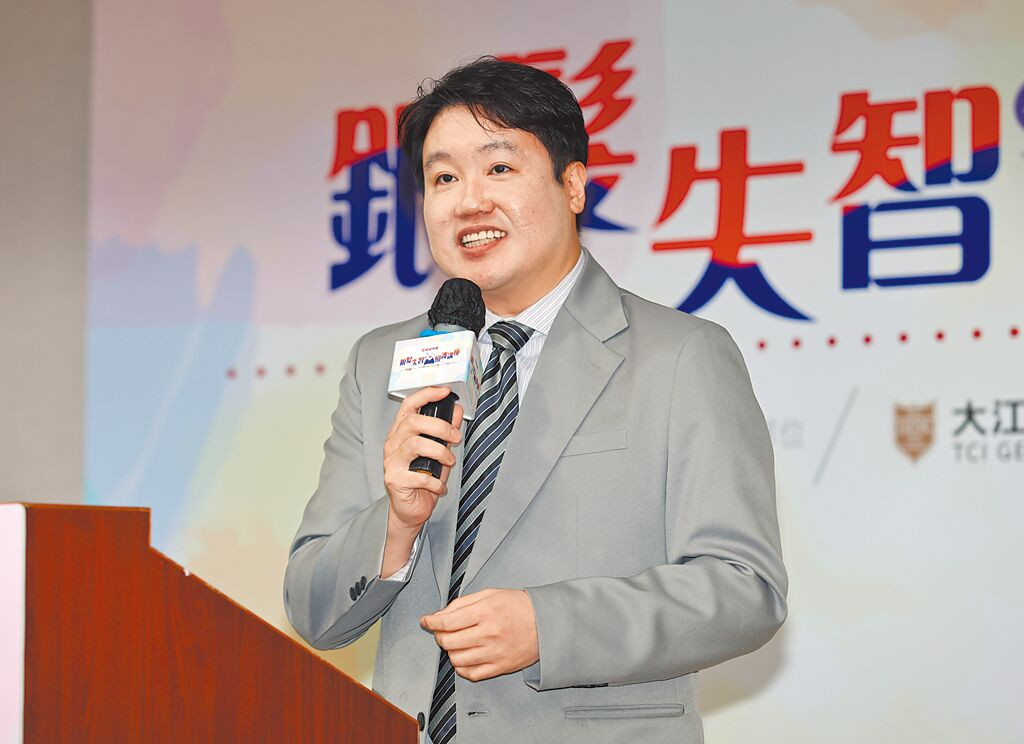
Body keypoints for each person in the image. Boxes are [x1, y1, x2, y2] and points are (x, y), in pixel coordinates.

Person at [284, 57, 787, 744]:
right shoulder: (380, 362)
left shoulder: (681, 355)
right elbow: (311, 607)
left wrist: (550, 626)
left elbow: (745, 587)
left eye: (499, 168)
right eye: (443, 178)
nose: (469, 202)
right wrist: (397, 524)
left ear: (572, 185)